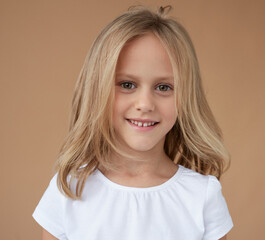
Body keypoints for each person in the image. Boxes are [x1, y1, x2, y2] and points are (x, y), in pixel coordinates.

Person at [33, 5, 233, 240]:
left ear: (186, 97)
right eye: (127, 84)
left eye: (163, 87)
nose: (145, 104)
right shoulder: (68, 189)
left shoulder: (202, 196)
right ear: (98, 89)